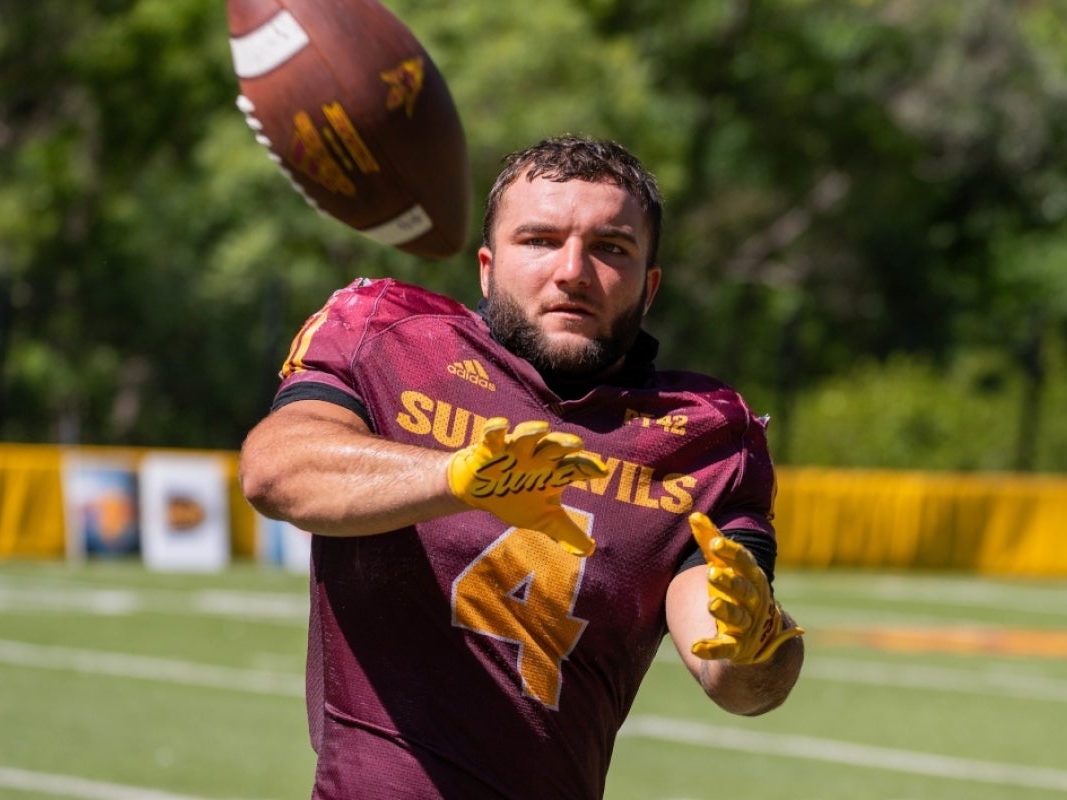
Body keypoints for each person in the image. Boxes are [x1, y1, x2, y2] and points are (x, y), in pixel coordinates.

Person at [239, 135, 804, 800]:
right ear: (486, 266)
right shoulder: (387, 335)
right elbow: (275, 470)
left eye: (611, 248)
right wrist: (458, 479)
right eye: (539, 240)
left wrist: (758, 641)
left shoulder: (705, 435)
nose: (572, 271)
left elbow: (734, 679)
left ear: (650, 286)